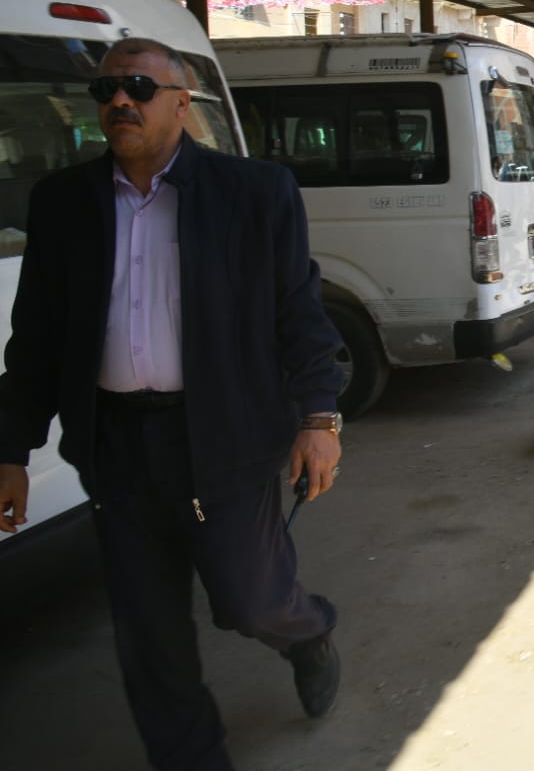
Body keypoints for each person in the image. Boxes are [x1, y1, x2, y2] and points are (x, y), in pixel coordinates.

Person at [0, 38, 345, 771]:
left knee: (251, 601)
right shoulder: (64, 203)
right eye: (107, 91)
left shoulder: (252, 192)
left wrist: (319, 417)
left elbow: (298, 309)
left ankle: (308, 632)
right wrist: (11, 449)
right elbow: (36, 337)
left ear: (182, 104)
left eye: (138, 87)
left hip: (226, 441)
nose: (120, 101)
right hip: (116, 450)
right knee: (147, 634)